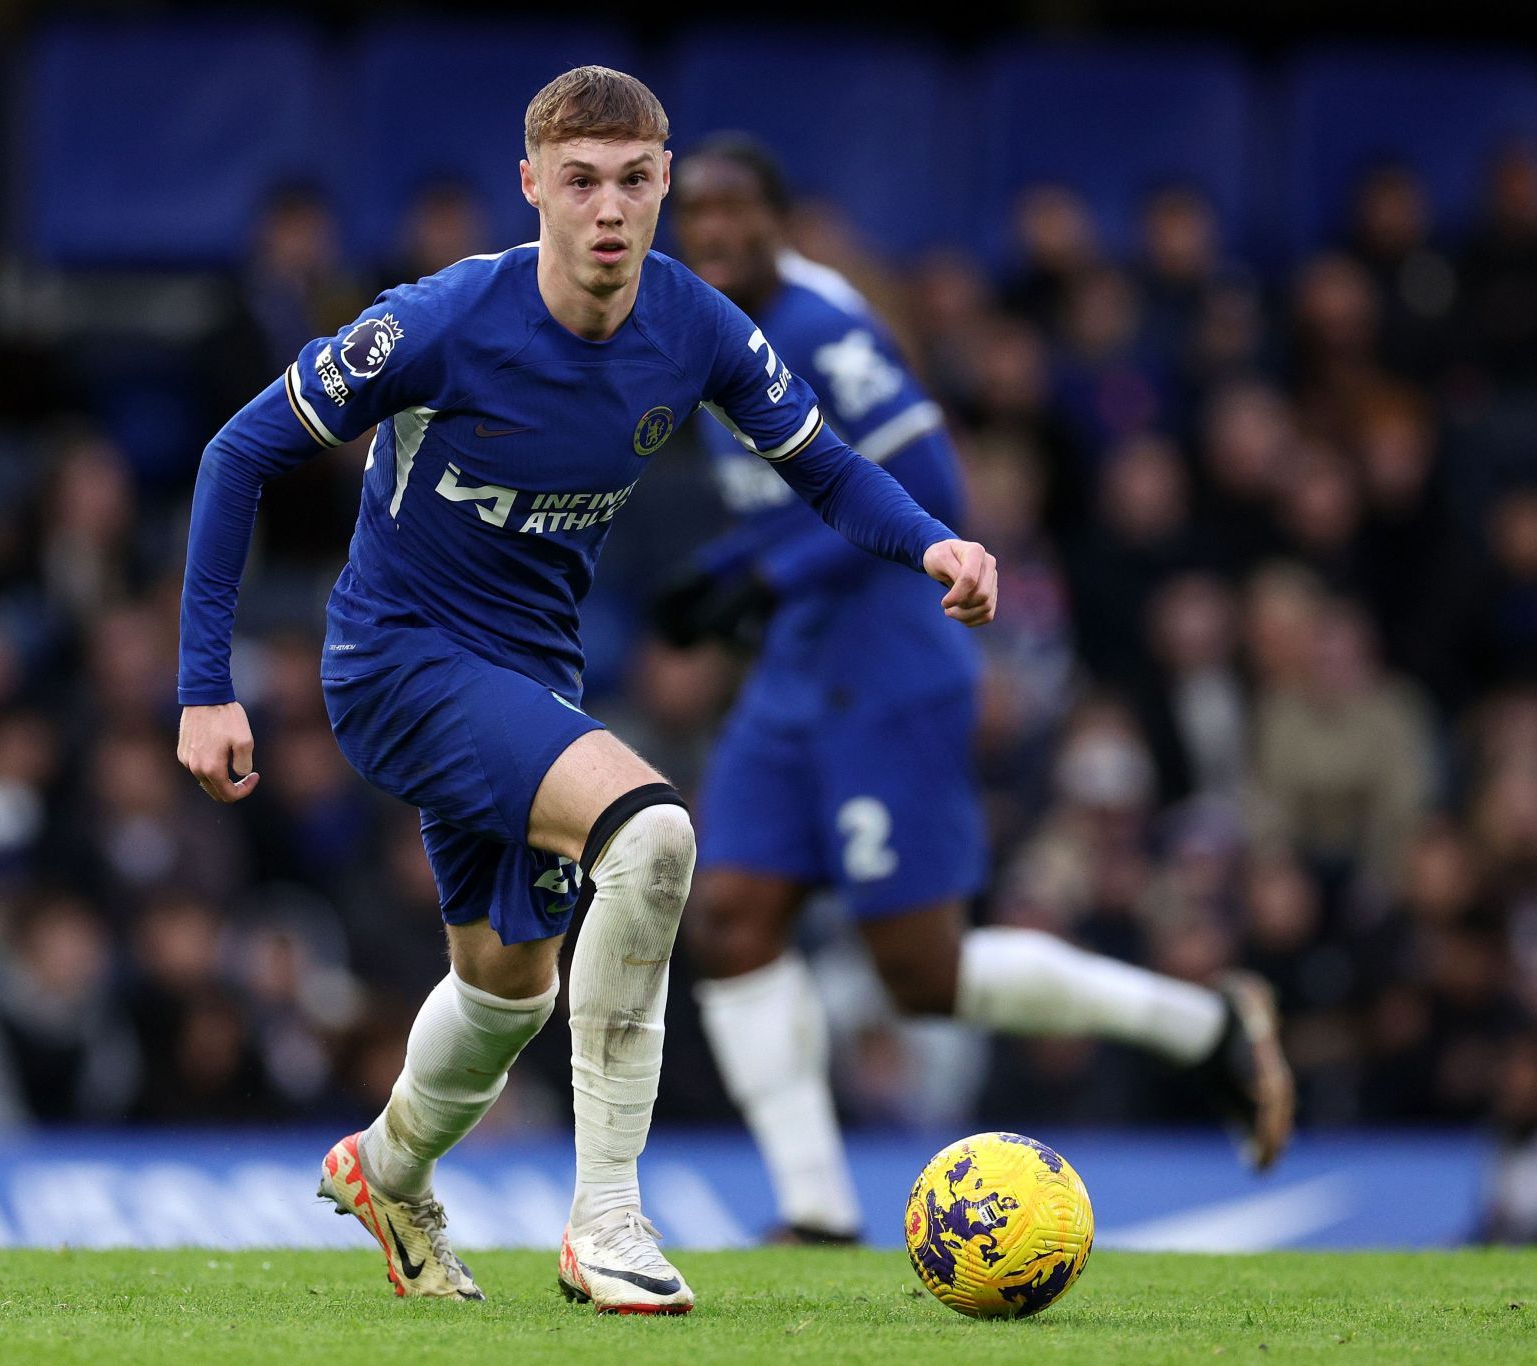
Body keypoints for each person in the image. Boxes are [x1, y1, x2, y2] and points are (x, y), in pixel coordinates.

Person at [174, 68, 997, 1313]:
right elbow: (240, 449)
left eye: (632, 180)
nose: (608, 209)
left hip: (530, 678)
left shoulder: (700, 325)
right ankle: (606, 1216)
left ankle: (385, 1169)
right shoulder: (444, 320)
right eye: (580, 182)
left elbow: (828, 469)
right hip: (398, 660)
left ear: (663, 183)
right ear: (533, 188)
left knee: (510, 988)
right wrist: (204, 685)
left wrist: (932, 540)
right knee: (654, 831)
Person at [666, 136, 1294, 1244]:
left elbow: (936, 488)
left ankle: (1205, 1026)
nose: (710, 234)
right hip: (797, 665)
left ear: (781, 220)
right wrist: (726, 578)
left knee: (919, 972)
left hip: (887, 667)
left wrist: (766, 574)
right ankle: (814, 1208)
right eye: (695, 215)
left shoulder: (827, 329)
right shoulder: (714, 323)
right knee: (730, 916)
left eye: (733, 213)